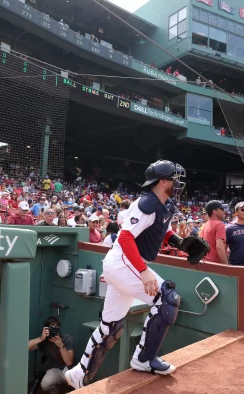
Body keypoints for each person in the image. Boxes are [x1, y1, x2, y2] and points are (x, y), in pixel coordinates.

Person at [65, 160, 198, 388]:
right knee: (167, 298)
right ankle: (144, 359)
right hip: (123, 262)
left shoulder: (166, 204)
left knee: (111, 327)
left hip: (125, 264)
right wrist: (144, 271)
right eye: (176, 180)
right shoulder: (146, 203)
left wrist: (180, 243)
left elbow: (161, 231)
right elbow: (126, 237)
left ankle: (79, 374)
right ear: (163, 181)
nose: (180, 185)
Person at [28, 316, 74, 394]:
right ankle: (54, 391)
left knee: (80, 384)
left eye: (56, 328)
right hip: (56, 370)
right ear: (46, 329)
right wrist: (41, 338)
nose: (53, 330)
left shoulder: (66, 339)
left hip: (70, 370)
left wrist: (61, 346)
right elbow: (25, 347)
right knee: (45, 384)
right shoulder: (45, 341)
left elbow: (69, 362)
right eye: (51, 328)